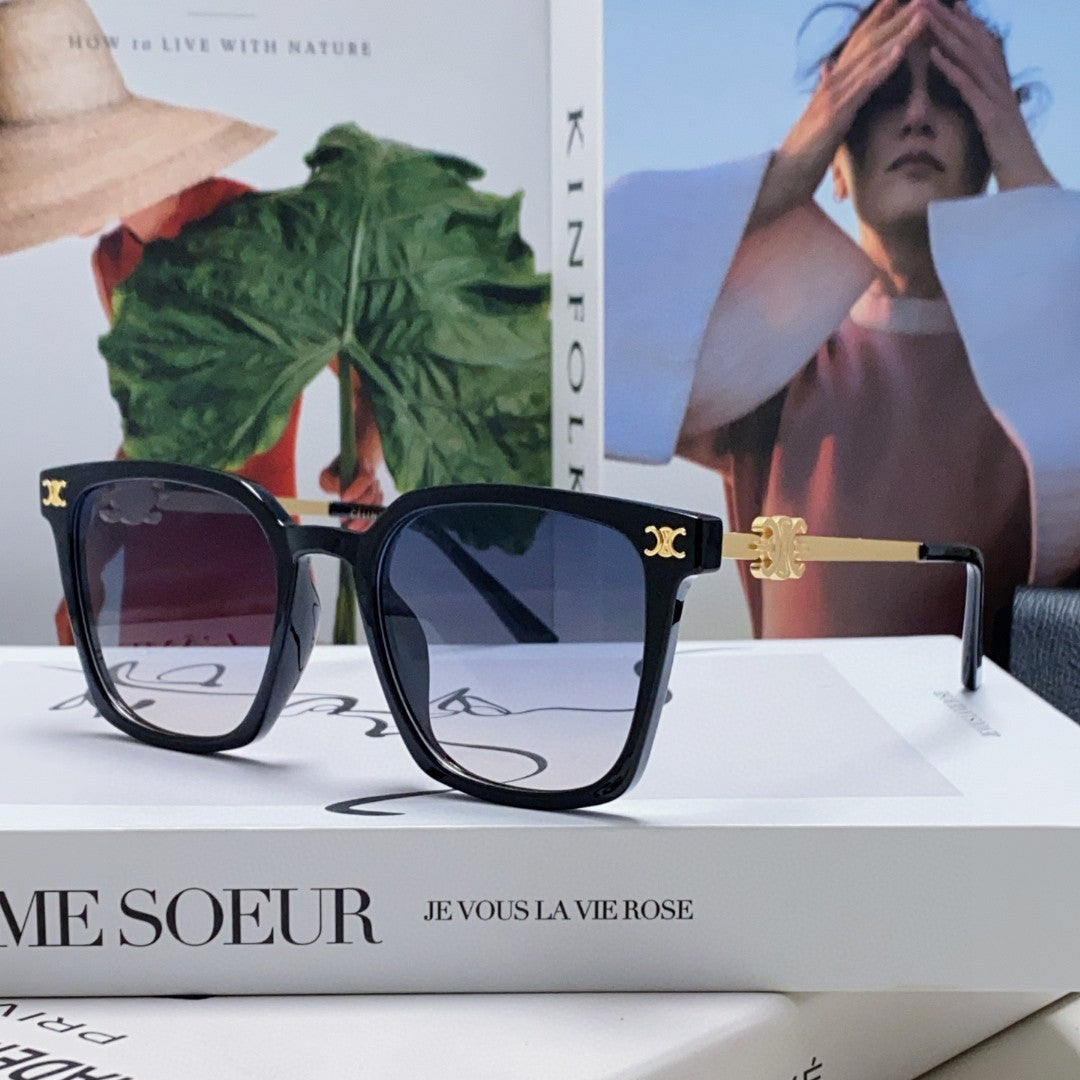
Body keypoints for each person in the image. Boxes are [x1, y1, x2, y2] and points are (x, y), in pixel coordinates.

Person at [605, 0, 1079, 662]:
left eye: (953, 92)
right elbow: (589, 319)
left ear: (989, 144)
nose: (917, 115)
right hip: (800, 726)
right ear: (836, 158)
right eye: (880, 94)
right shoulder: (774, 356)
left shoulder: (1045, 366)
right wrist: (786, 170)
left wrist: (1023, 168)